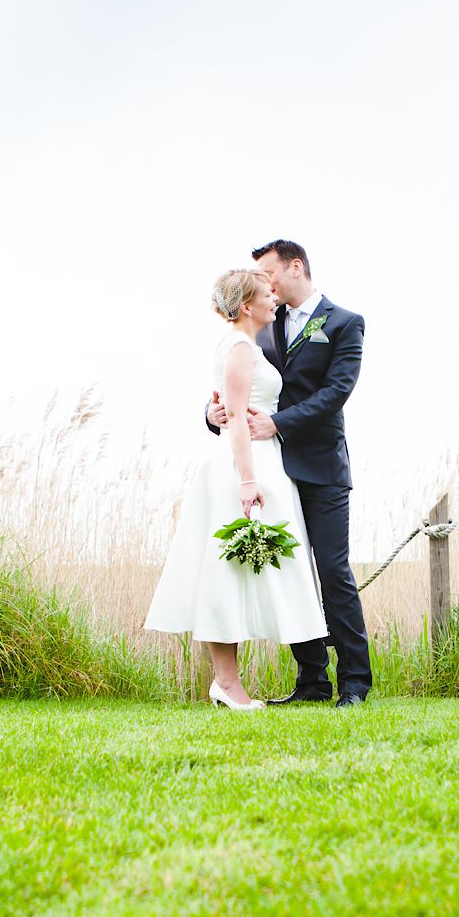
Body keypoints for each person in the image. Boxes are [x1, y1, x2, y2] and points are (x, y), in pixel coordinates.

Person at [145, 269, 328, 710]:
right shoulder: (241, 348)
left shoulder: (244, 346)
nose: (274, 298)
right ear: (247, 306)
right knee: (226, 572)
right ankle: (226, 683)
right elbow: (240, 427)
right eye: (267, 294)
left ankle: (239, 681)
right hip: (243, 470)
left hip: (259, 465)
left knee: (246, 571)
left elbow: (233, 411)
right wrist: (248, 482)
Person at [206, 239, 372, 707]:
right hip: (272, 468)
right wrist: (213, 411)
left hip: (320, 466)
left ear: (295, 267)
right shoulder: (261, 320)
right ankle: (313, 682)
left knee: (333, 571)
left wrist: (276, 423)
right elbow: (235, 377)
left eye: (270, 274)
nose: (266, 285)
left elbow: (336, 392)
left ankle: (355, 683)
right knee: (292, 571)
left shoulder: (344, 324)